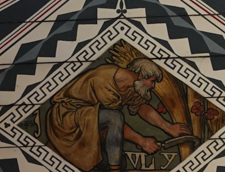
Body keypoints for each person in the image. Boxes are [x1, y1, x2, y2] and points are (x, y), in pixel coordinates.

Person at [46, 57, 191, 172]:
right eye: (151, 81)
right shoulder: (105, 78)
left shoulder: (132, 86)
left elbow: (142, 108)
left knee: (116, 161)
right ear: (141, 75)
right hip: (66, 119)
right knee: (114, 118)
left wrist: (168, 127)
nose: (153, 86)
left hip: (88, 123)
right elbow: (114, 120)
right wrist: (141, 141)